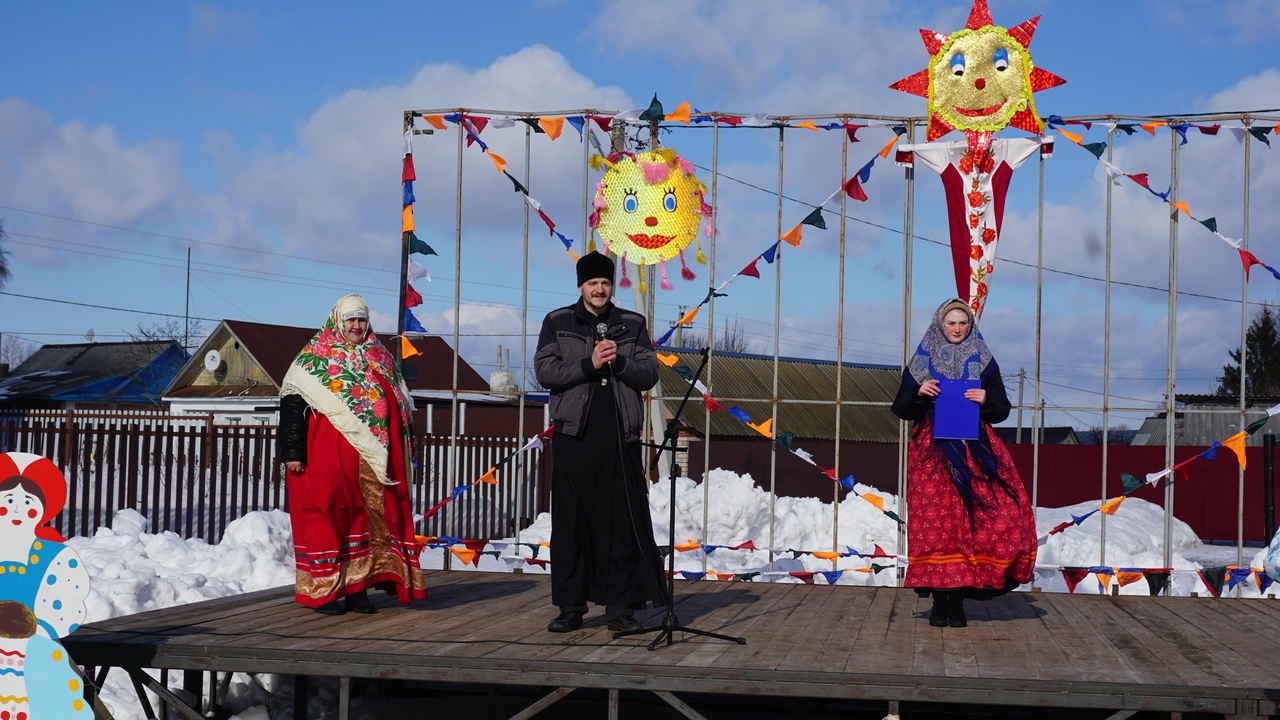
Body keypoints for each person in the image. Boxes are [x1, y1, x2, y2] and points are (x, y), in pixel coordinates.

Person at [534, 251, 665, 633]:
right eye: (592, 283)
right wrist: (588, 364)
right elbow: (545, 370)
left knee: (621, 524)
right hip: (575, 435)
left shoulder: (632, 324)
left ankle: (621, 609)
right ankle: (570, 608)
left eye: (605, 283)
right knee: (570, 523)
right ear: (581, 286)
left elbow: (649, 373)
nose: (599, 290)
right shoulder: (557, 321)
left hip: (620, 436)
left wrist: (619, 362)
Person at [890, 298, 1036, 628]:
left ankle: (957, 601)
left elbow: (1002, 410)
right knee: (936, 524)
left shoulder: (983, 360)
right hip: (932, 454)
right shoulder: (922, 361)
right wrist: (918, 393)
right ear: (939, 325)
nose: (957, 329)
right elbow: (900, 409)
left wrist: (987, 399)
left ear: (970, 326)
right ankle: (939, 600)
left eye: (962, 323)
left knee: (977, 521)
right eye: (951, 323)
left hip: (975, 451)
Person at [279, 294, 426, 615]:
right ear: (337, 321)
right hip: (323, 461)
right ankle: (325, 591)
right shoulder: (313, 359)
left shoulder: (380, 356)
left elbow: (401, 406)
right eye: (351, 320)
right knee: (329, 519)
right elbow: (292, 405)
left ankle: (358, 590)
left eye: (361, 320)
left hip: (370, 466)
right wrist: (292, 451)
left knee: (366, 522)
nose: (356, 326)